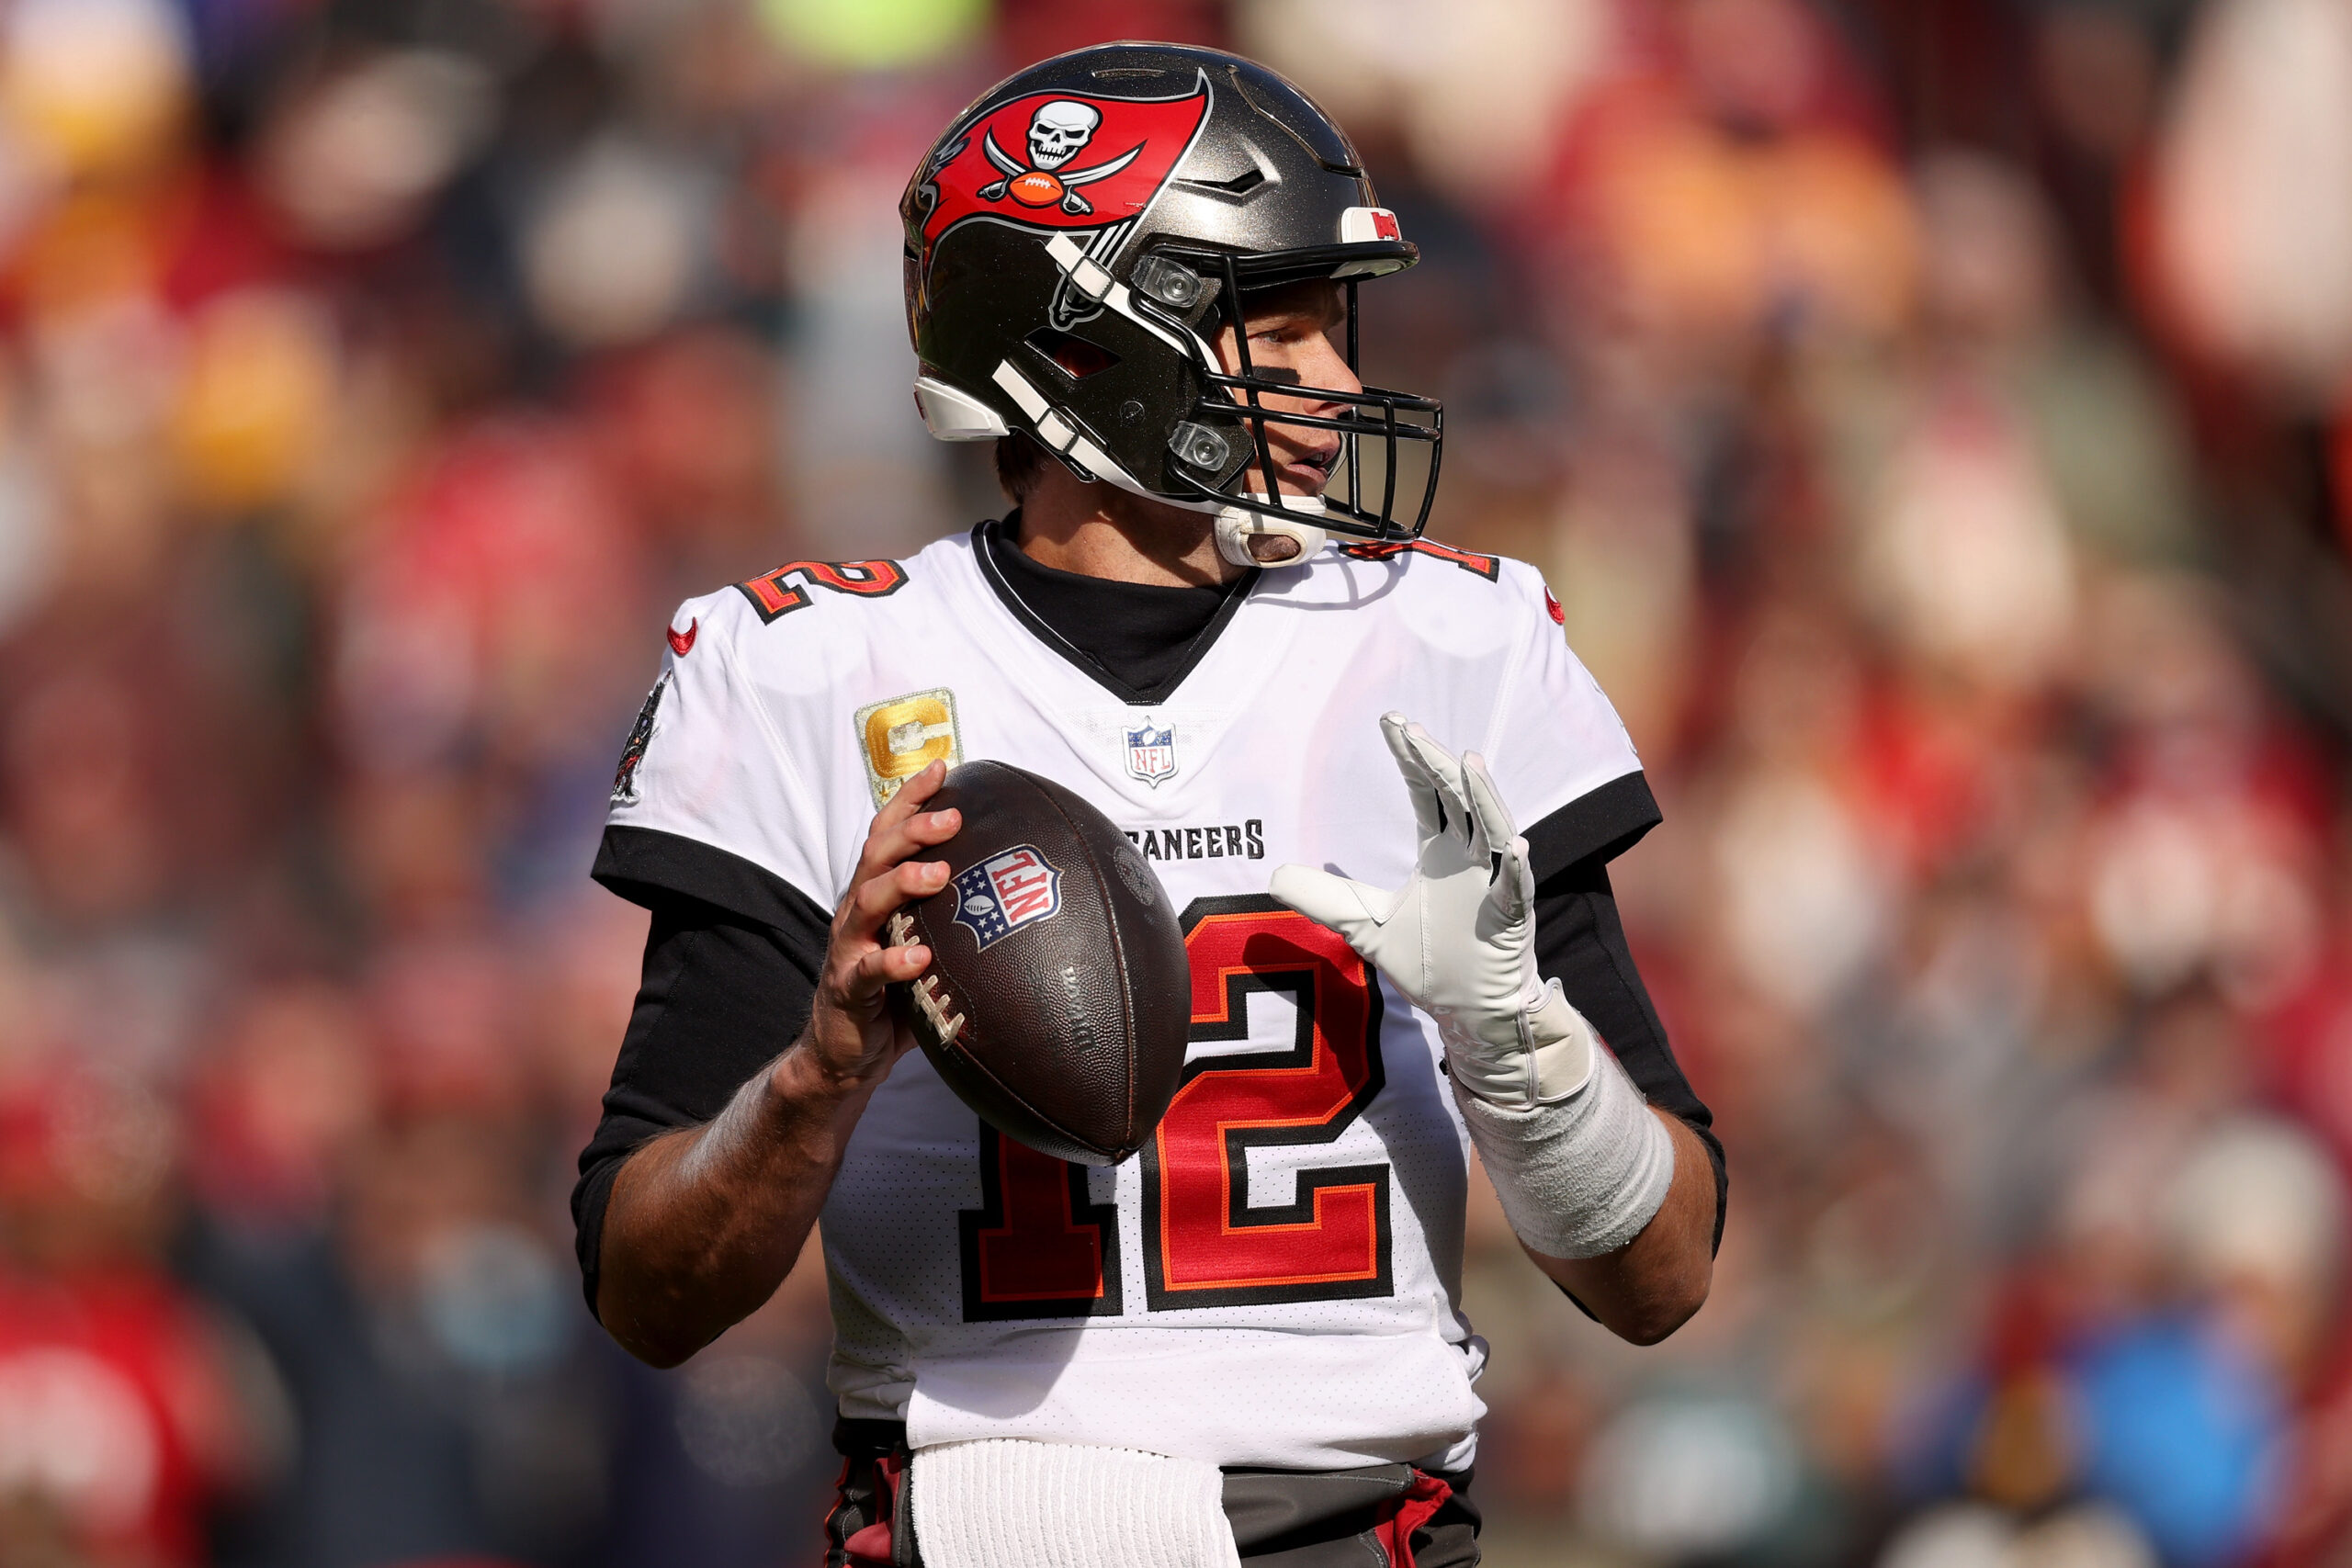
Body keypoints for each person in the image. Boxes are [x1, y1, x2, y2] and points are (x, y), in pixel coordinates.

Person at [573, 41, 1724, 1568]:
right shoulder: (810, 672)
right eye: (1279, 330)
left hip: (1368, 1533)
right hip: (986, 1522)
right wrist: (819, 1078)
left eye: (1338, 326)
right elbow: (650, 1293)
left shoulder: (1454, 648)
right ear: (1086, 351)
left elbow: (1663, 1278)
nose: (1339, 381)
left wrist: (1522, 1047)